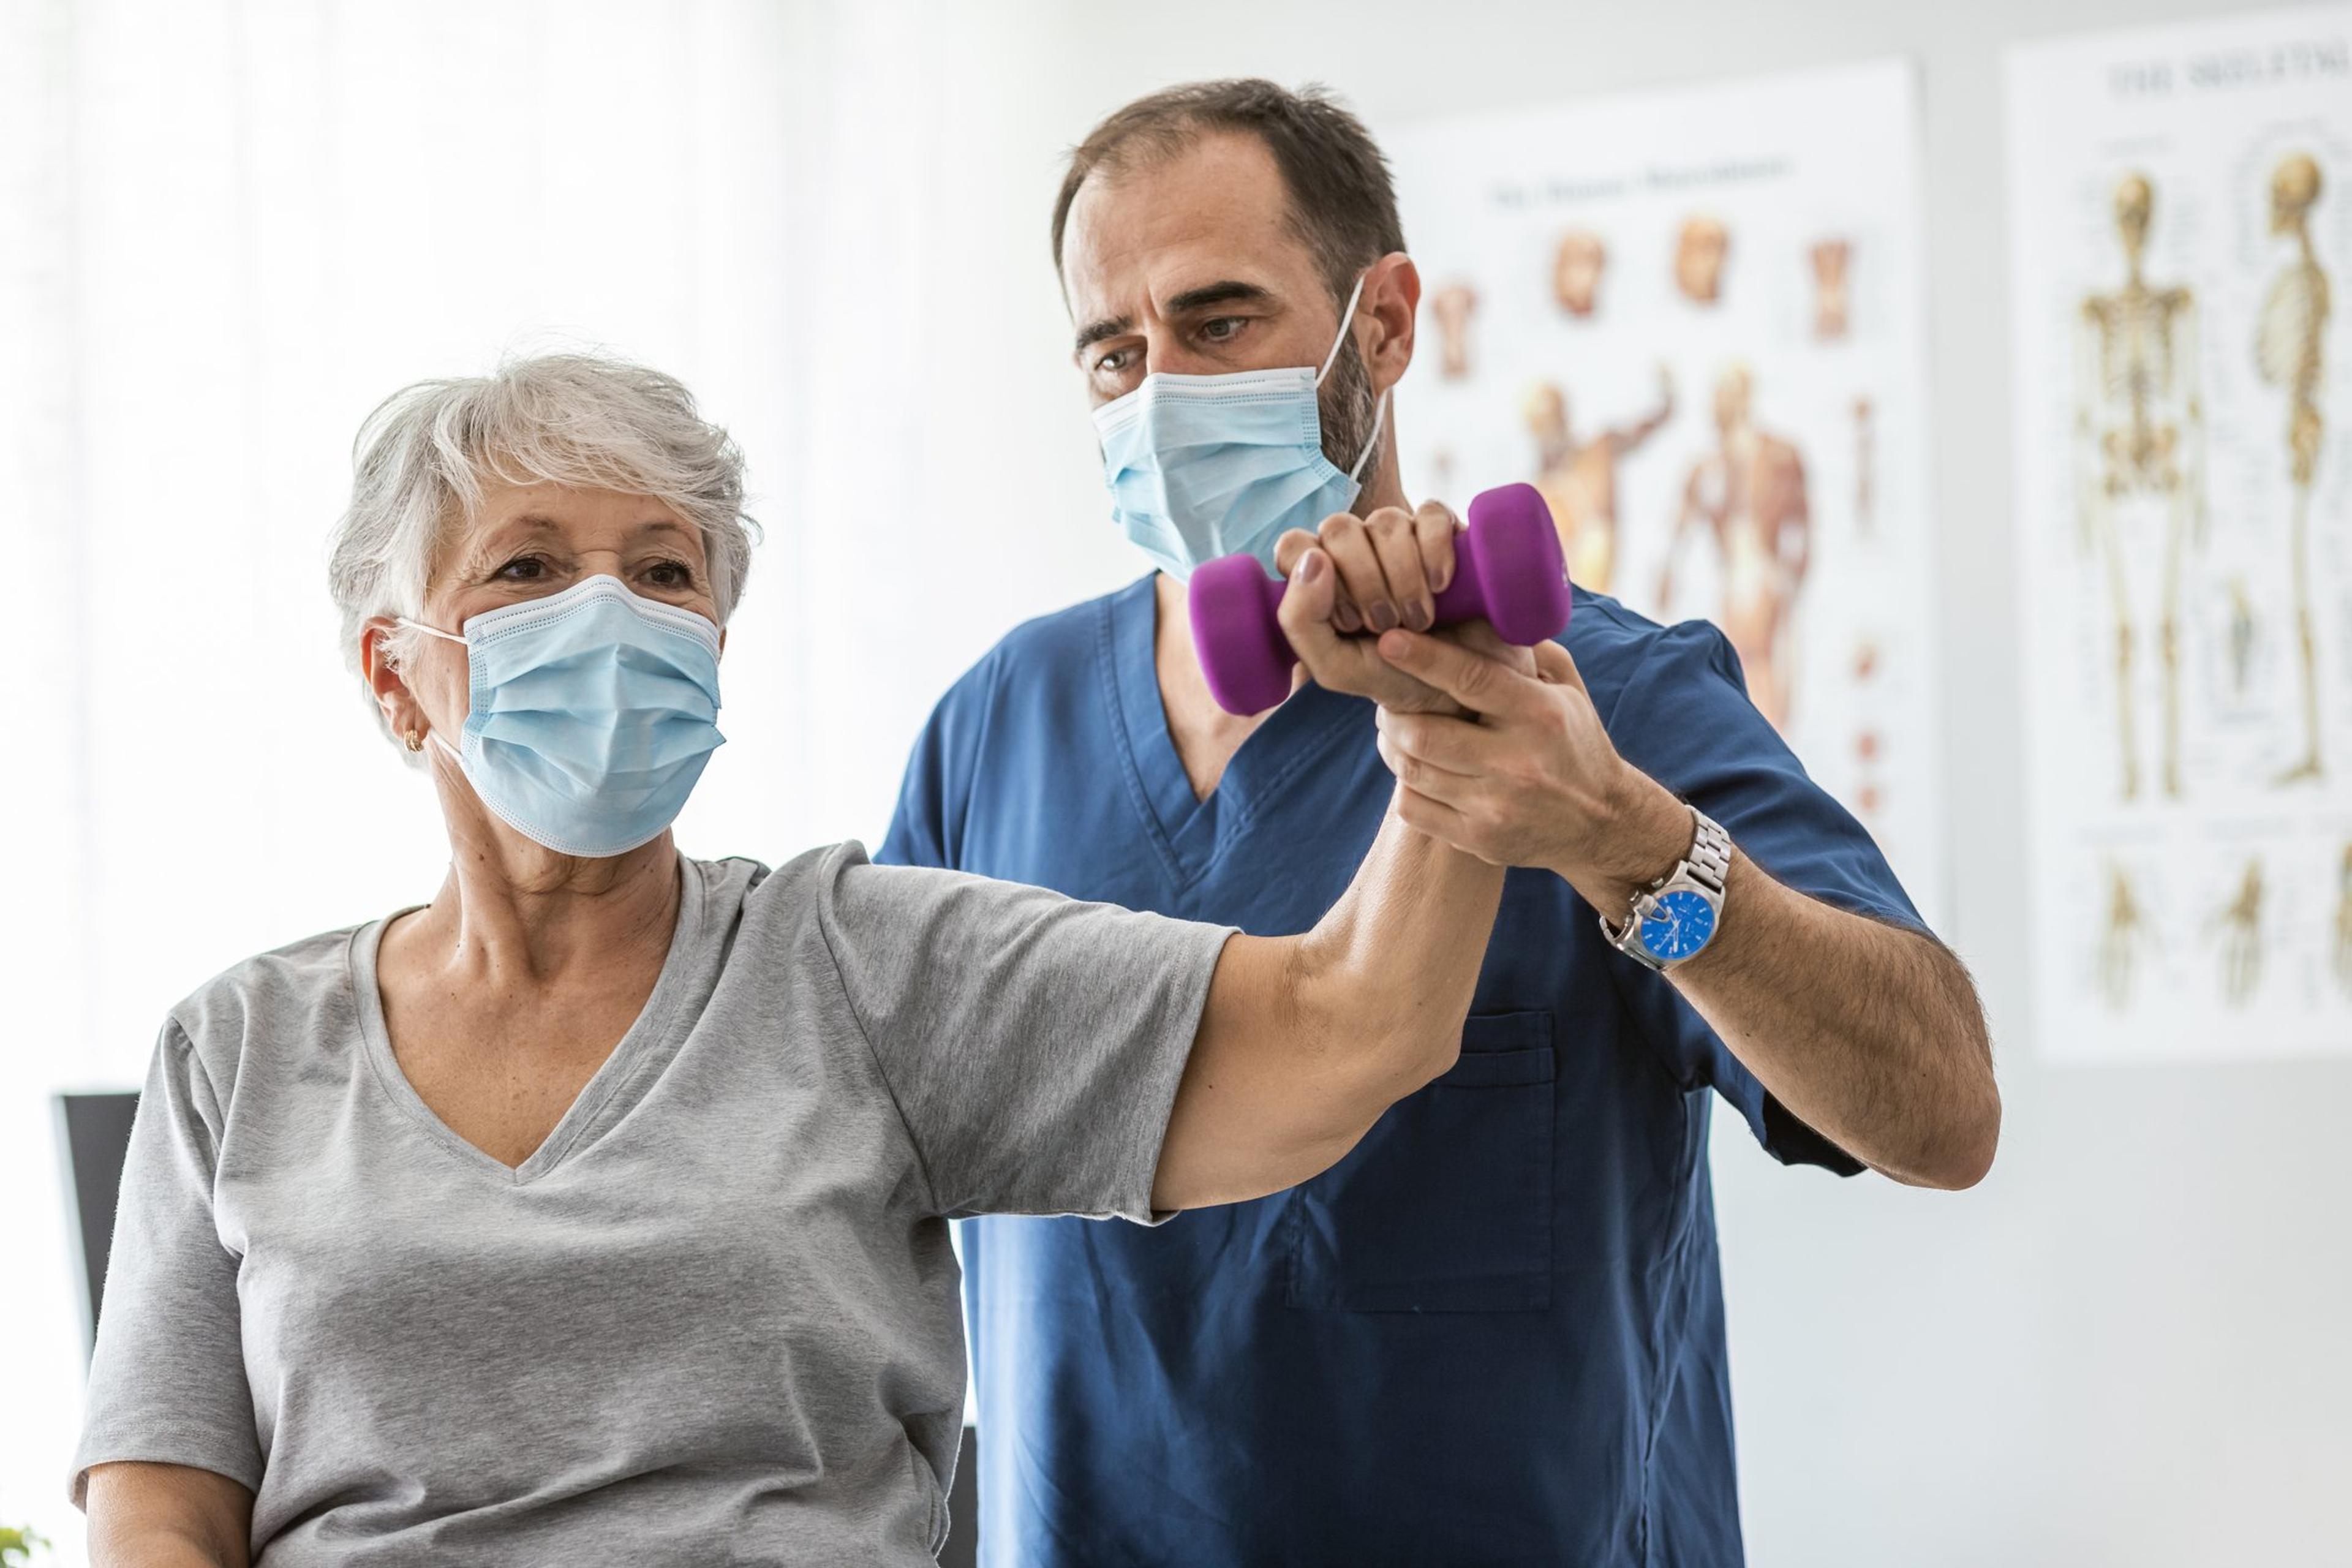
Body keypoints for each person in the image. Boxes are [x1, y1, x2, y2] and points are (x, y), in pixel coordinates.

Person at [72, 353, 1522, 1566]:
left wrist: (1454, 710)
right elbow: (162, 1506)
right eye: (530, 566)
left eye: (662, 572)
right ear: (397, 676)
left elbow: (1351, 1027)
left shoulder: (856, 963)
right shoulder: (240, 1047)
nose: (615, 613)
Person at [881, 80, 2000, 1567]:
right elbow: (865, 1203)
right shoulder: (996, 728)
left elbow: (1944, 1107)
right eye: (1113, 352)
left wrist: (1626, 841)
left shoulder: (1598, 698)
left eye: (1219, 325)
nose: (1160, 396)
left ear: (1386, 324)